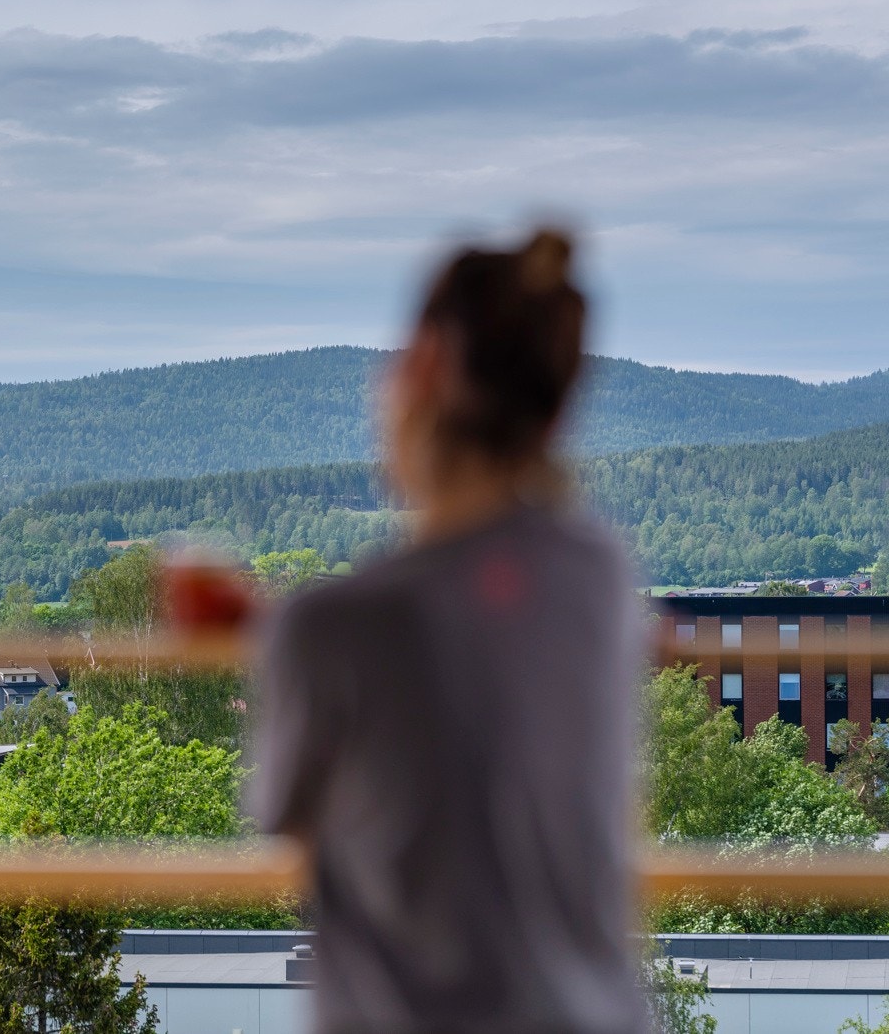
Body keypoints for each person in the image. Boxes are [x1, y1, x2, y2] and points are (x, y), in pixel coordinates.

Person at [250, 229, 645, 1033]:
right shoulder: (598, 576)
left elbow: (286, 812)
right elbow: (472, 639)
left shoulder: (335, 623)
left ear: (424, 365)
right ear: (557, 405)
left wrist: (278, 636)